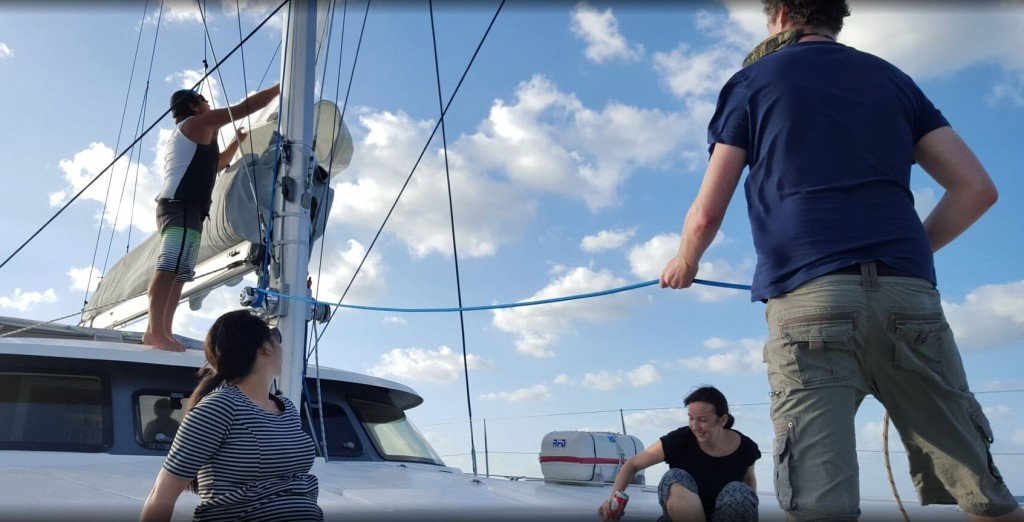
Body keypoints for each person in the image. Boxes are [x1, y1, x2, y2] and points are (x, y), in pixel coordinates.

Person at [659, 1, 1023, 520]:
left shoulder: (753, 81)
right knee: (987, 500)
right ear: (835, 17)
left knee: (819, 506)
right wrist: (905, 257)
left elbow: (704, 215)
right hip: (909, 297)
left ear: (781, 13)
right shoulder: (894, 80)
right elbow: (977, 190)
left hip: (810, 304)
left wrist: (685, 261)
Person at [139, 310, 323, 521]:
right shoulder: (219, 407)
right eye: (277, 339)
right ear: (265, 348)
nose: (283, 347)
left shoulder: (287, 409)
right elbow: (162, 495)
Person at [143, 84, 279, 352]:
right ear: (193, 106)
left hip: (191, 208)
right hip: (179, 205)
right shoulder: (195, 123)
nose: (208, 104)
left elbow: (216, 165)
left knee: (180, 272)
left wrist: (233, 144)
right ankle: (153, 331)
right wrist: (280, 87)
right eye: (204, 100)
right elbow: (245, 108)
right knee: (169, 266)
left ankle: (164, 331)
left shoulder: (198, 134)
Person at [598, 386, 760, 522]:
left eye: (702, 420)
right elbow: (633, 464)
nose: (695, 426)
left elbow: (749, 480)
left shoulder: (746, 447)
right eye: (691, 418)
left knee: (740, 490)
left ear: (722, 420)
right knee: (675, 477)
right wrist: (613, 503)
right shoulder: (679, 440)